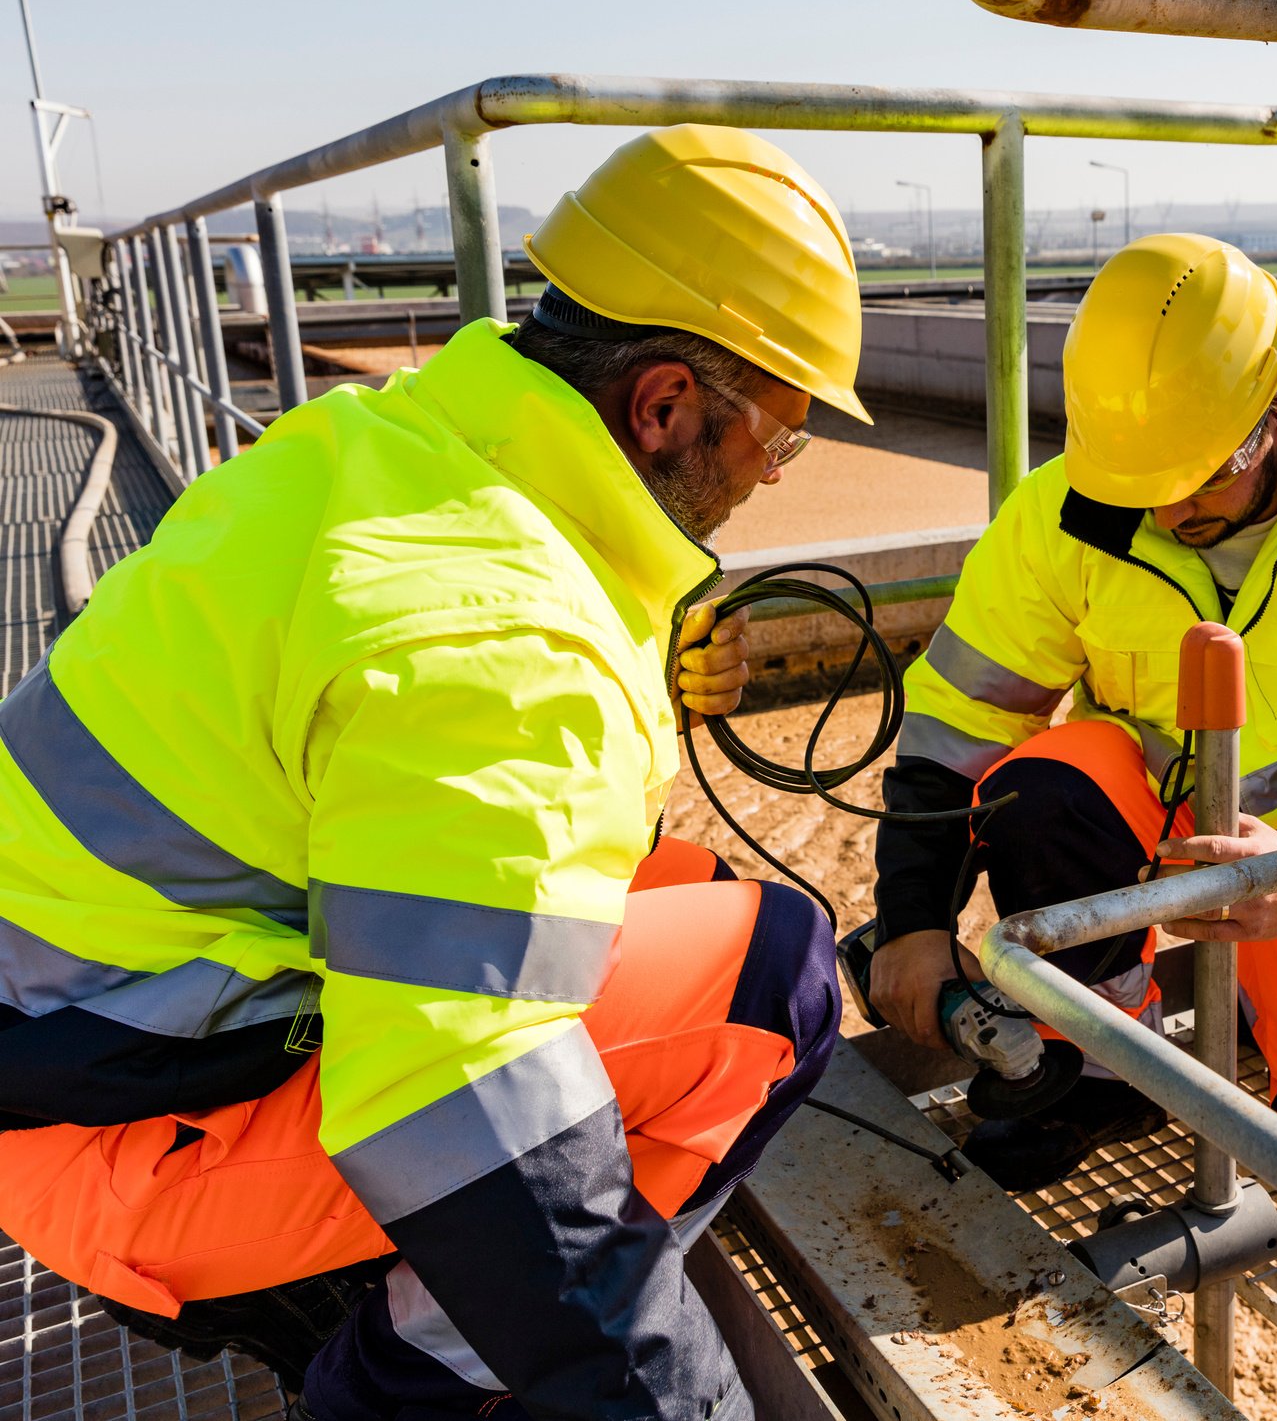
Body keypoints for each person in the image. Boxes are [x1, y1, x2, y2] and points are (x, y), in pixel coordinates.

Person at [0, 124, 866, 1421]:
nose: (771, 475)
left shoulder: (389, 446)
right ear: (666, 402)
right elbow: (457, 1084)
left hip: (96, 1031)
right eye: (780, 439)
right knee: (778, 974)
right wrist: (667, 1395)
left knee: (672, 878)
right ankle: (396, 1380)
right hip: (114, 1147)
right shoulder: (503, 629)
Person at [868, 233, 1277, 1197]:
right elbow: (950, 728)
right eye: (1144, 487)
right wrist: (912, 921)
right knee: (1040, 787)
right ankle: (1097, 1066)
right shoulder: (1062, 515)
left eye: (1199, 480)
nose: (1172, 514)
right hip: (1135, 816)